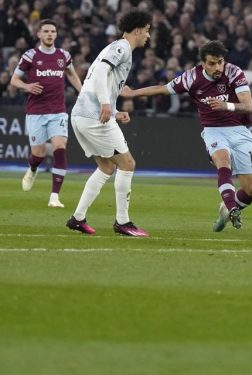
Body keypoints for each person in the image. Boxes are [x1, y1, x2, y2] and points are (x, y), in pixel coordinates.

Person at [121, 40, 252, 232]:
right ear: (203, 63)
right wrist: (132, 93)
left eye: (220, 62)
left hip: (239, 129)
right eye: (212, 63)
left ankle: (226, 209)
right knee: (223, 160)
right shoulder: (191, 78)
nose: (217, 67)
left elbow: (249, 105)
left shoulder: (234, 72)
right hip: (213, 129)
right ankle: (231, 206)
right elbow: (162, 89)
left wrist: (226, 105)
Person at [65, 10, 152, 237]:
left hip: (81, 115)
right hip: (93, 116)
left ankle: (78, 218)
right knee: (127, 163)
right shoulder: (121, 48)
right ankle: (123, 222)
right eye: (148, 30)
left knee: (106, 167)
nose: (148, 36)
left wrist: (113, 111)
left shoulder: (117, 48)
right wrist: (105, 104)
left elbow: (96, 80)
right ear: (138, 29)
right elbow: (102, 71)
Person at [10, 19, 82, 208]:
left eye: (53, 31)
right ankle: (33, 168)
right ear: (39, 34)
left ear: (56, 35)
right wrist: (26, 86)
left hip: (58, 110)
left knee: (60, 146)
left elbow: (71, 74)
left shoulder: (63, 55)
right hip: (36, 112)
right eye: (46, 31)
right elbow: (14, 80)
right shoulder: (30, 56)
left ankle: (54, 196)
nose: (50, 34)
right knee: (38, 154)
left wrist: (82, 93)